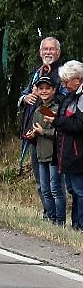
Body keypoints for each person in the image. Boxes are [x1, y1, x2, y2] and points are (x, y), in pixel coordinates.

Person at [18, 37, 66, 217]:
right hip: (33, 134)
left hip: (53, 135)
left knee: (55, 185)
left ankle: (58, 219)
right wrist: (26, 98)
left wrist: (42, 99)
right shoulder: (36, 72)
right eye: (45, 49)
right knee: (41, 182)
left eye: (51, 49)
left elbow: (64, 101)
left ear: (58, 52)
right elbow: (23, 94)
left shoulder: (63, 73)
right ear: (40, 53)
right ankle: (48, 213)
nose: (48, 52)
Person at [23, 75, 64, 225]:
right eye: (41, 88)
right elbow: (35, 132)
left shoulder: (55, 109)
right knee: (45, 189)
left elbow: (60, 133)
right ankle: (50, 218)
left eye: (47, 88)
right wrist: (32, 135)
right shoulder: (38, 110)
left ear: (53, 90)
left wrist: (42, 132)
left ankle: (59, 220)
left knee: (55, 189)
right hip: (41, 154)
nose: (44, 91)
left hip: (53, 155)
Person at [54, 60, 83, 231]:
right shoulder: (70, 96)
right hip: (68, 153)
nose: (64, 86)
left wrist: (58, 121)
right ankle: (76, 225)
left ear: (77, 79)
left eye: (67, 81)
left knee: (80, 191)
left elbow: (79, 124)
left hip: (78, 153)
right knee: (73, 190)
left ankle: (80, 225)